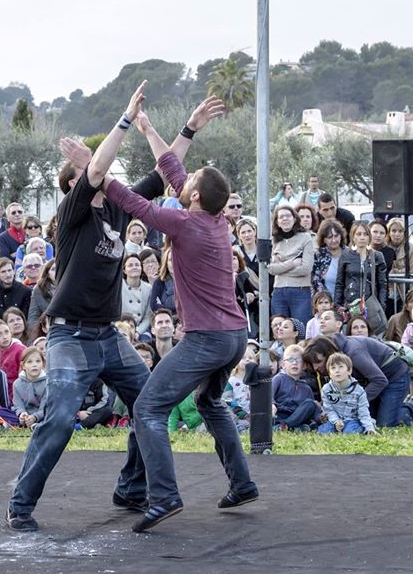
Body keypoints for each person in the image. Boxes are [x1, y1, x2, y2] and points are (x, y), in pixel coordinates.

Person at [6, 88, 220, 532]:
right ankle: (20, 504)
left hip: (106, 335)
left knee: (150, 404)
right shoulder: (74, 213)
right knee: (61, 418)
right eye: (91, 174)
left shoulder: (119, 210)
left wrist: (189, 129)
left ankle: (131, 487)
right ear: (76, 184)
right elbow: (99, 168)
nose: (104, 177)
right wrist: (124, 120)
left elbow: (163, 175)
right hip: (69, 335)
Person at [101, 105, 258, 534]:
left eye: (189, 182)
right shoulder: (213, 220)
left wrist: (94, 171)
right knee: (209, 402)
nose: (182, 180)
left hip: (207, 338)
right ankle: (242, 484)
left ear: (193, 196)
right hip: (235, 335)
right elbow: (172, 170)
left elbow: (134, 203)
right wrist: (157, 128)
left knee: (149, 408)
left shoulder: (185, 224)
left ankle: (165, 497)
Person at [302, 334, 413, 428]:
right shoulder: (337, 356)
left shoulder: (354, 353)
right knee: (367, 421)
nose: (315, 367)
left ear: (328, 353)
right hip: (372, 380)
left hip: (395, 376)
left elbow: (380, 380)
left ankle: (412, 409)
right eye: (312, 364)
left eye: (318, 362)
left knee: (384, 425)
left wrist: (355, 403)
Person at [268, 206, 315, 326]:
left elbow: (306, 269)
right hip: (278, 291)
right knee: (279, 330)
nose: (285, 219)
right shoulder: (274, 240)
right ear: (277, 222)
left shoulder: (305, 238)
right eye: (281, 217)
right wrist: (292, 263)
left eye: (288, 216)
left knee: (300, 329)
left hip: (300, 291)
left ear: (294, 218)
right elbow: (271, 269)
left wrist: (280, 268)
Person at [334, 223, 387, 316]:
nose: (362, 237)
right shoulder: (346, 255)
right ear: (353, 237)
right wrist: (337, 305)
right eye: (358, 234)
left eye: (365, 234)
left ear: (369, 237)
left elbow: (382, 284)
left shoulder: (377, 256)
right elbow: (339, 283)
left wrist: (382, 306)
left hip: (371, 304)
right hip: (350, 304)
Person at [317, 352, 377, 435]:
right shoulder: (326, 389)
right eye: (333, 368)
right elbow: (329, 410)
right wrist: (336, 421)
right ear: (330, 374)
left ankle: (369, 425)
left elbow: (363, 412)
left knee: (350, 432)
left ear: (349, 371)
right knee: (323, 431)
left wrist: (369, 428)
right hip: (336, 420)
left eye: (341, 367)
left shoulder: (359, 391)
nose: (337, 371)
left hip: (352, 419)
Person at [272, 344, 319, 431]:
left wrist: (320, 417)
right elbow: (269, 395)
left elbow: (309, 410)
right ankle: (287, 427)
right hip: (278, 415)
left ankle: (286, 427)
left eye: (298, 360)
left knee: (311, 403)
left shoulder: (306, 388)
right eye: (290, 360)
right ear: (283, 364)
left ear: (304, 365)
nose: (294, 362)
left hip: (296, 417)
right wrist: (272, 404)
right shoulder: (278, 379)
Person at [12, 347, 47, 429]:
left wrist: (35, 417)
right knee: (3, 412)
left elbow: (45, 407)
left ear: (43, 364)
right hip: (26, 415)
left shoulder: (47, 383)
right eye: (30, 362)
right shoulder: (17, 384)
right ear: (23, 366)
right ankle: (29, 424)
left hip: (42, 414)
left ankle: (37, 425)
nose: (34, 365)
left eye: (38, 361)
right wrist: (22, 414)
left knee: (54, 414)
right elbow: (18, 405)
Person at [311, 219, 347, 298]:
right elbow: (315, 281)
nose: (334, 240)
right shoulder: (319, 255)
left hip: (348, 302)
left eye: (336, 236)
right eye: (329, 237)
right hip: (326, 302)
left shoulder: (350, 253)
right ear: (323, 239)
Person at [121, 255, 153, 338]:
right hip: (121, 328)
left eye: (137, 265)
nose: (134, 267)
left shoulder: (148, 288)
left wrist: (138, 332)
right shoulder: (118, 287)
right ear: (124, 270)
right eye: (130, 265)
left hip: (141, 329)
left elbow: (148, 316)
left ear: (141, 268)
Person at [26, 260, 57, 337]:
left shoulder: (71, 287)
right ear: (47, 273)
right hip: (48, 330)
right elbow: (33, 317)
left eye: (58, 268)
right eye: (53, 269)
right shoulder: (39, 290)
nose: (57, 272)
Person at [150, 247, 175, 315]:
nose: (174, 262)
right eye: (170, 260)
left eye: (176, 259)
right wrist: (174, 313)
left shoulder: (188, 280)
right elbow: (154, 305)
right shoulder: (159, 282)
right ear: (166, 263)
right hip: (166, 317)